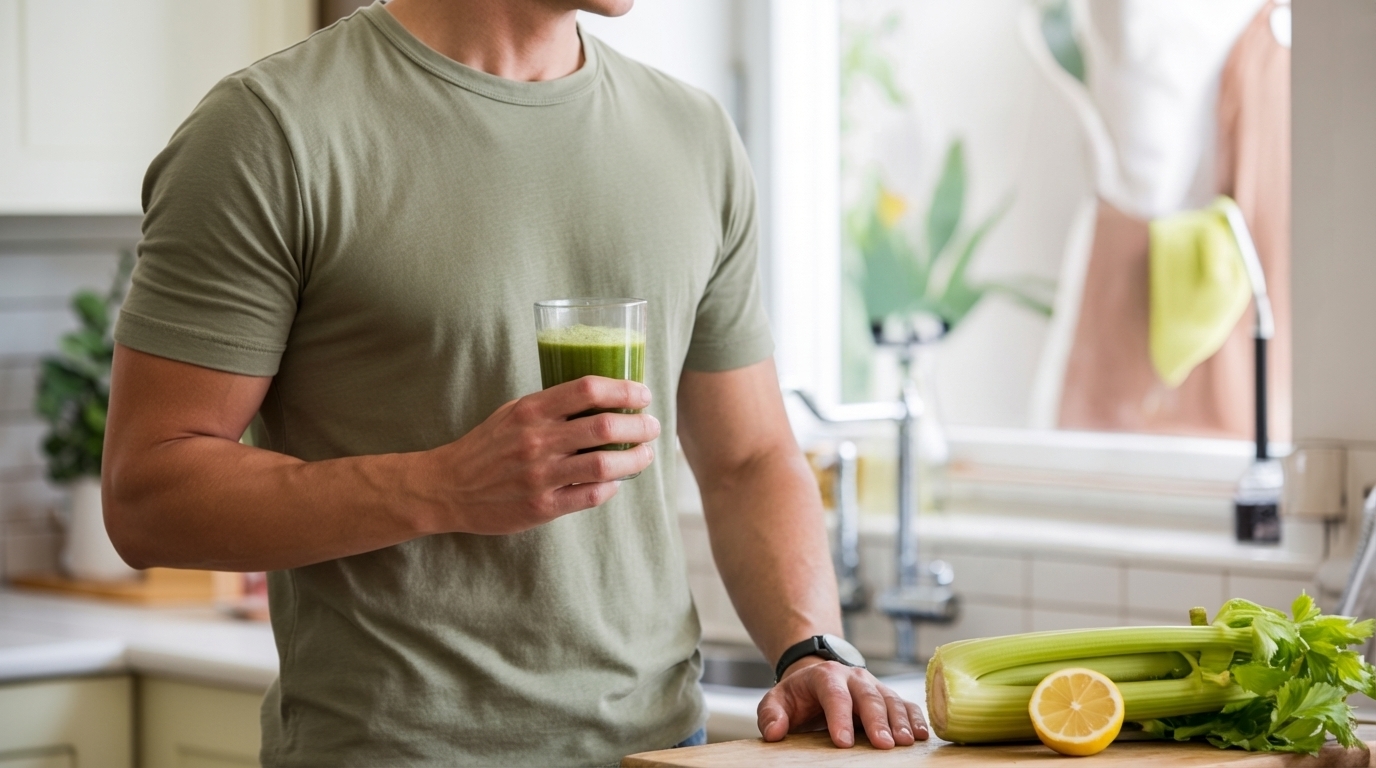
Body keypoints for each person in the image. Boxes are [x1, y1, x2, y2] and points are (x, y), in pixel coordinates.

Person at [102, 0, 927, 764]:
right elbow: (149, 492)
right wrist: (443, 486)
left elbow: (747, 457)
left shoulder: (694, 135)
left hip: (663, 750)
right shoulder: (270, 130)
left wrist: (810, 643)